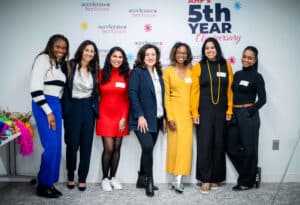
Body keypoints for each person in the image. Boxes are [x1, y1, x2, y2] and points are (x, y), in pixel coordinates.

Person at [190, 37, 233, 194]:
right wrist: (194, 112)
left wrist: (229, 109)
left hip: (221, 109)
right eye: (207, 48)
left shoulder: (226, 65)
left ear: (217, 49)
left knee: (219, 143)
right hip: (204, 109)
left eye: (212, 47)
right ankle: (205, 179)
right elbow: (194, 92)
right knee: (205, 144)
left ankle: (216, 178)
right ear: (204, 51)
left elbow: (230, 89)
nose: (209, 50)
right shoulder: (198, 66)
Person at [30, 34, 70, 198]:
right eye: (57, 46)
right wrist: (49, 112)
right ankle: (43, 185)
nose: (60, 50)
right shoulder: (43, 59)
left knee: (57, 148)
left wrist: (56, 109)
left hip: (56, 105)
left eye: (64, 47)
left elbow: (59, 91)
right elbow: (35, 89)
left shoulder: (60, 65)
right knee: (51, 147)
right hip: (43, 104)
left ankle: (49, 182)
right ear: (50, 46)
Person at [226, 46, 266, 191]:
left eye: (250, 57)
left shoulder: (257, 77)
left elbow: (263, 100)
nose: (246, 59)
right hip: (234, 114)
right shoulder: (237, 74)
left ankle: (246, 182)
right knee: (231, 148)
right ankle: (252, 171)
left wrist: (249, 111)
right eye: (244, 56)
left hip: (249, 115)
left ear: (254, 60)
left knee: (250, 150)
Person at [62, 40, 99, 191]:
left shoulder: (95, 69)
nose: (89, 53)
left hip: (89, 108)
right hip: (73, 107)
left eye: (92, 51)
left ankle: (82, 178)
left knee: (86, 145)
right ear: (81, 51)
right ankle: (71, 176)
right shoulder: (70, 65)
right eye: (87, 50)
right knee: (72, 144)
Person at [128, 44, 165, 197]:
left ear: (157, 57)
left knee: (147, 149)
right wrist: (140, 116)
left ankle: (140, 179)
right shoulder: (138, 72)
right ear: (142, 57)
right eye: (147, 54)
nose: (151, 57)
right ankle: (149, 181)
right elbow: (132, 93)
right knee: (148, 147)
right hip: (142, 119)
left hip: (156, 118)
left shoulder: (159, 74)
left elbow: (161, 98)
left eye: (153, 54)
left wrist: (164, 117)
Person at [96, 47, 130, 191]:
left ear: (123, 59)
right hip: (104, 115)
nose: (117, 59)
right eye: (114, 56)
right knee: (108, 148)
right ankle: (104, 178)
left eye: (120, 57)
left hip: (121, 115)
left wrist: (124, 117)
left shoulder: (128, 74)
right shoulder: (101, 73)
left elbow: (128, 98)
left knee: (117, 148)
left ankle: (113, 177)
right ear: (109, 57)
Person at [163, 42, 193, 193]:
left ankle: (179, 179)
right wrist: (169, 117)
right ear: (174, 53)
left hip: (188, 113)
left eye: (184, 53)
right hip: (174, 112)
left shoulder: (192, 71)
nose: (182, 55)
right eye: (179, 52)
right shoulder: (167, 71)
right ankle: (175, 178)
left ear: (188, 55)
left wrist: (195, 113)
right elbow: (166, 96)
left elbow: (195, 94)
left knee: (185, 146)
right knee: (174, 146)